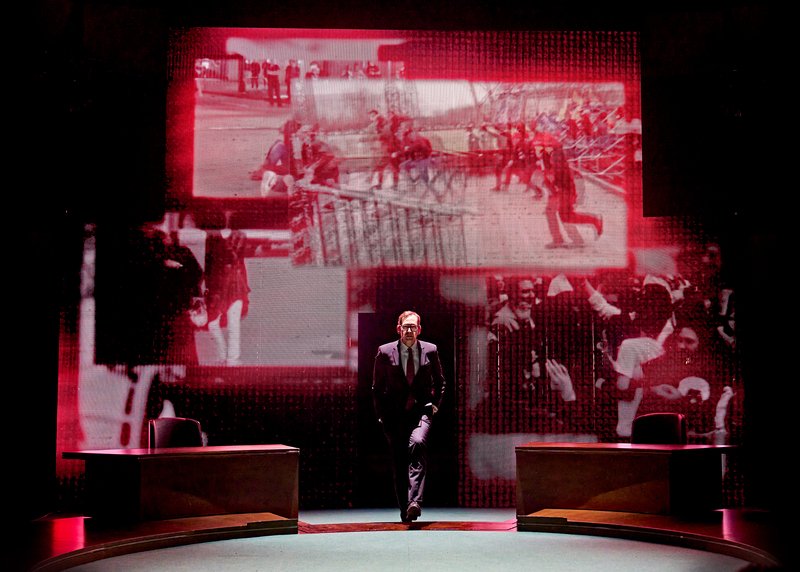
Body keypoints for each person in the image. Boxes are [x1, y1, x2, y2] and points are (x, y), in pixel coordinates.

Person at [372, 311, 447, 523]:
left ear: (419, 330)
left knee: (418, 443)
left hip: (421, 412)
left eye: (413, 327)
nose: (409, 331)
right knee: (399, 462)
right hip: (394, 416)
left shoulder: (430, 350)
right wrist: (381, 416)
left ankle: (414, 502)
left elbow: (440, 382)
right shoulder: (385, 352)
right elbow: (377, 388)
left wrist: (435, 404)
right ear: (399, 329)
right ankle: (405, 509)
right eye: (406, 326)